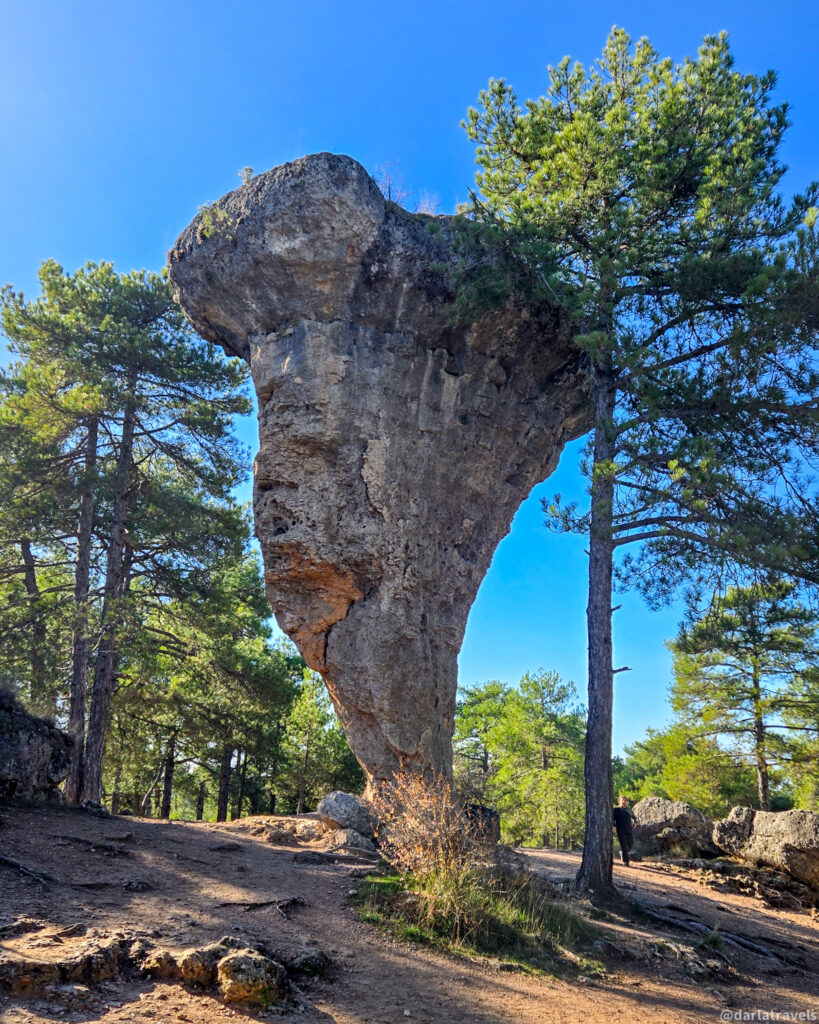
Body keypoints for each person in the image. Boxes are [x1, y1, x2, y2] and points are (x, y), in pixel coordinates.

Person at [612, 795, 635, 866]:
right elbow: (612, 819)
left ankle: (623, 853)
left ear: (627, 801)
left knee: (630, 844)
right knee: (624, 845)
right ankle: (626, 861)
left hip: (629, 829)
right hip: (620, 829)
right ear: (619, 801)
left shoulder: (629, 809)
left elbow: (633, 817)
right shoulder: (616, 809)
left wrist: (635, 823)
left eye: (624, 800)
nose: (623, 801)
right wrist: (614, 826)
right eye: (621, 800)